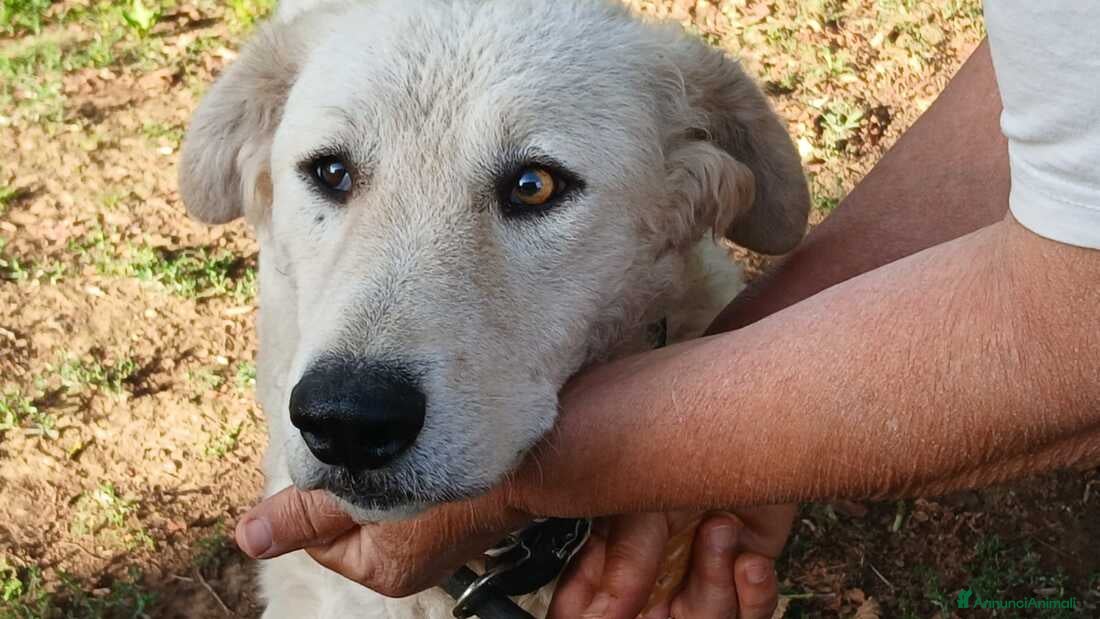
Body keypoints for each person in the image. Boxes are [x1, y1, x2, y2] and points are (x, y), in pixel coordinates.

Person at [232, 2, 1100, 618]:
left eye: (532, 187)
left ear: (692, 185)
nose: (345, 396)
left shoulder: (657, 120)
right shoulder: (329, 67)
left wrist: (646, 457)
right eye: (333, 176)